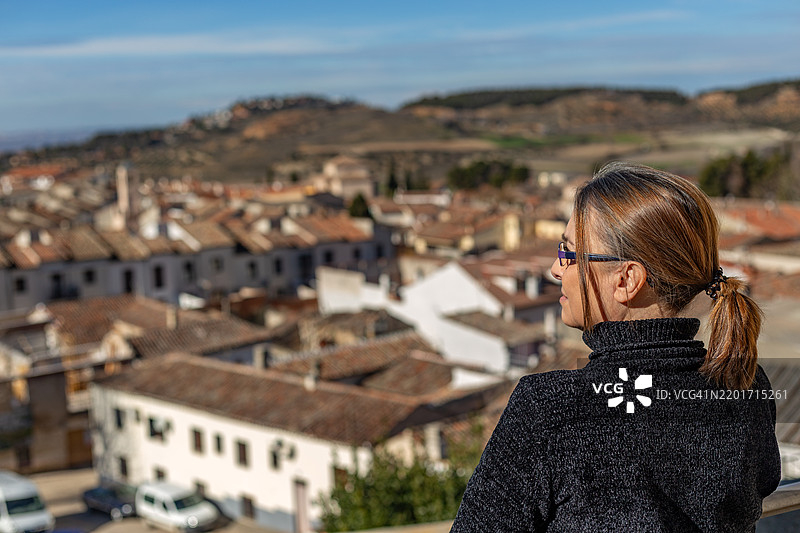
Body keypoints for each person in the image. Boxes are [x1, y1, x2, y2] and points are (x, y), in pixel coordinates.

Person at [450, 161, 781, 532]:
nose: (555, 270)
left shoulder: (550, 409)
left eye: (569, 254)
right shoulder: (747, 386)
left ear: (625, 280)